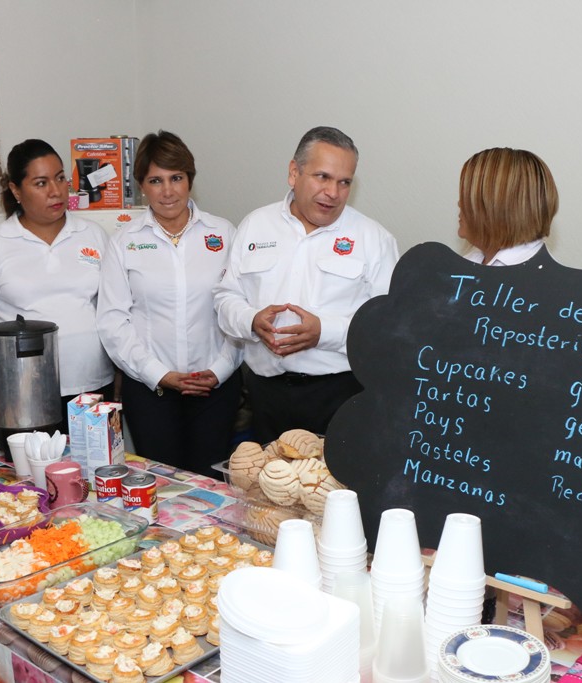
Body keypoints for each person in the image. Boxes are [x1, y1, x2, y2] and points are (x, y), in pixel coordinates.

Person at [214, 126, 399, 443]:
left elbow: (389, 327)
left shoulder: (374, 239)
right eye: (323, 177)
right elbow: (225, 297)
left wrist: (323, 332)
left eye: (344, 182)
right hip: (265, 394)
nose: (333, 192)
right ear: (293, 173)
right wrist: (251, 321)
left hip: (339, 394)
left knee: (331, 491)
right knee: (265, 489)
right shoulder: (255, 225)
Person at [97, 131, 241, 477]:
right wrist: (159, 374)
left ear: (190, 179)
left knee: (211, 485)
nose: (168, 190)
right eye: (155, 180)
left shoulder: (224, 234)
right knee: (161, 486)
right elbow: (113, 322)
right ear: (141, 186)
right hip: (151, 393)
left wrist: (219, 372)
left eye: (176, 178)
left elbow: (238, 311)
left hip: (215, 390)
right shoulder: (124, 243)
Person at [0, 139, 114, 441]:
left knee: (97, 474)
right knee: (32, 482)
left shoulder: (93, 235)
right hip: (22, 392)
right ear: (16, 191)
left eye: (60, 178)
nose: (56, 191)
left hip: (93, 384)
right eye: (41, 183)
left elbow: (114, 311)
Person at [457, 147, 558, 266]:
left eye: (468, 196)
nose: (459, 203)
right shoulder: (469, 261)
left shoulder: (537, 281)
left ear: (497, 207)